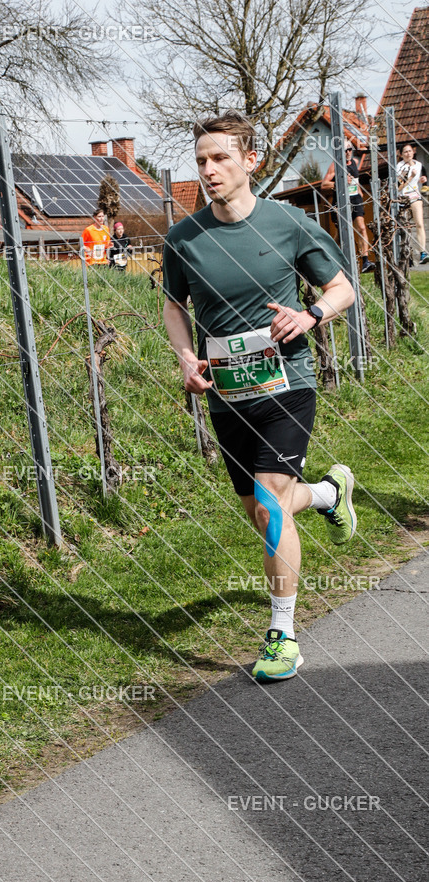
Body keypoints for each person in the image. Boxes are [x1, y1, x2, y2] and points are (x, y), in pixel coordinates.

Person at [163, 110, 357, 682]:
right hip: (227, 397)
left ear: (252, 160)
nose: (209, 169)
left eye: (220, 157)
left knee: (271, 505)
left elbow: (342, 286)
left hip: (287, 384)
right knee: (260, 511)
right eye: (201, 160)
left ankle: (283, 635)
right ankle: (326, 493)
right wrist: (184, 358)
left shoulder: (287, 224)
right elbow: (175, 307)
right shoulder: (183, 238)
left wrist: (311, 315)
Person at [323, 142, 374, 273]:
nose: (348, 152)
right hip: (341, 200)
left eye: (350, 149)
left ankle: (365, 261)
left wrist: (360, 193)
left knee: (362, 228)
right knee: (341, 234)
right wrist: (339, 182)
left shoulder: (355, 162)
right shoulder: (335, 165)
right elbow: (324, 185)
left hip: (355, 198)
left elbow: (355, 180)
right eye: (345, 150)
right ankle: (331, 259)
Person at [397, 142, 428, 264]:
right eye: (405, 151)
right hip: (403, 199)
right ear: (401, 154)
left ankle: (423, 252)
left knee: (419, 224)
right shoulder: (399, 167)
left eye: (410, 151)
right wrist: (410, 177)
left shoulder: (419, 165)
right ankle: (407, 254)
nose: (408, 153)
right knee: (405, 228)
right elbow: (398, 187)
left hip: (415, 196)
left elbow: (417, 182)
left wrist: (421, 180)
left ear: (413, 152)